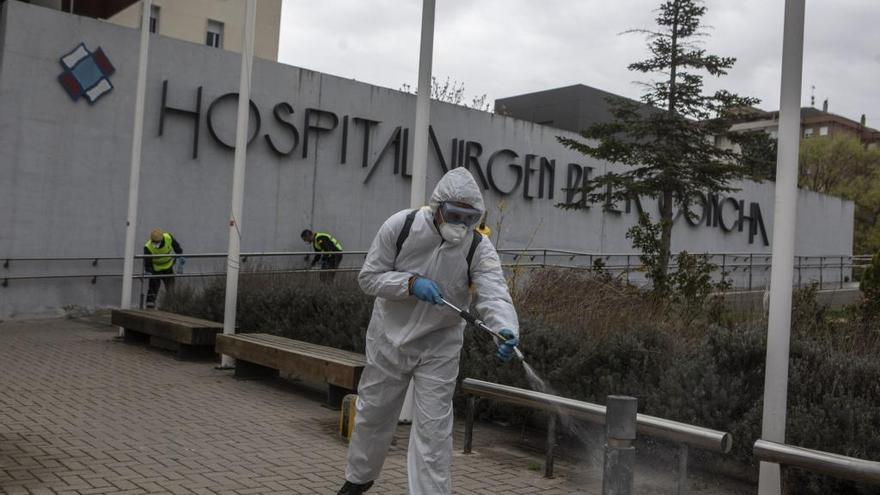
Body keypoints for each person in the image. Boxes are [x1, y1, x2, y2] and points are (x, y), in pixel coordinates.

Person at [337, 168, 520, 495]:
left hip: (440, 345)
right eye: (454, 214)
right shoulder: (401, 226)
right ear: (437, 207)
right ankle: (358, 479)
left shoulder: (478, 246)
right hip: (389, 339)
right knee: (373, 416)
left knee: (434, 433)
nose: (461, 224)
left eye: (470, 217)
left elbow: (494, 292)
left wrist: (504, 327)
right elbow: (369, 278)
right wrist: (408, 283)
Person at [143, 228, 183, 308]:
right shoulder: (148, 247)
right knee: (153, 288)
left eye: (156, 242)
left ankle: (171, 305)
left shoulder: (168, 237)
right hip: (156, 269)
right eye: (153, 242)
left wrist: (180, 255)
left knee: (170, 287)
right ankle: (149, 306)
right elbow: (148, 261)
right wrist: (148, 271)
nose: (155, 244)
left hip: (168, 267)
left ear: (161, 240)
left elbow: (177, 247)